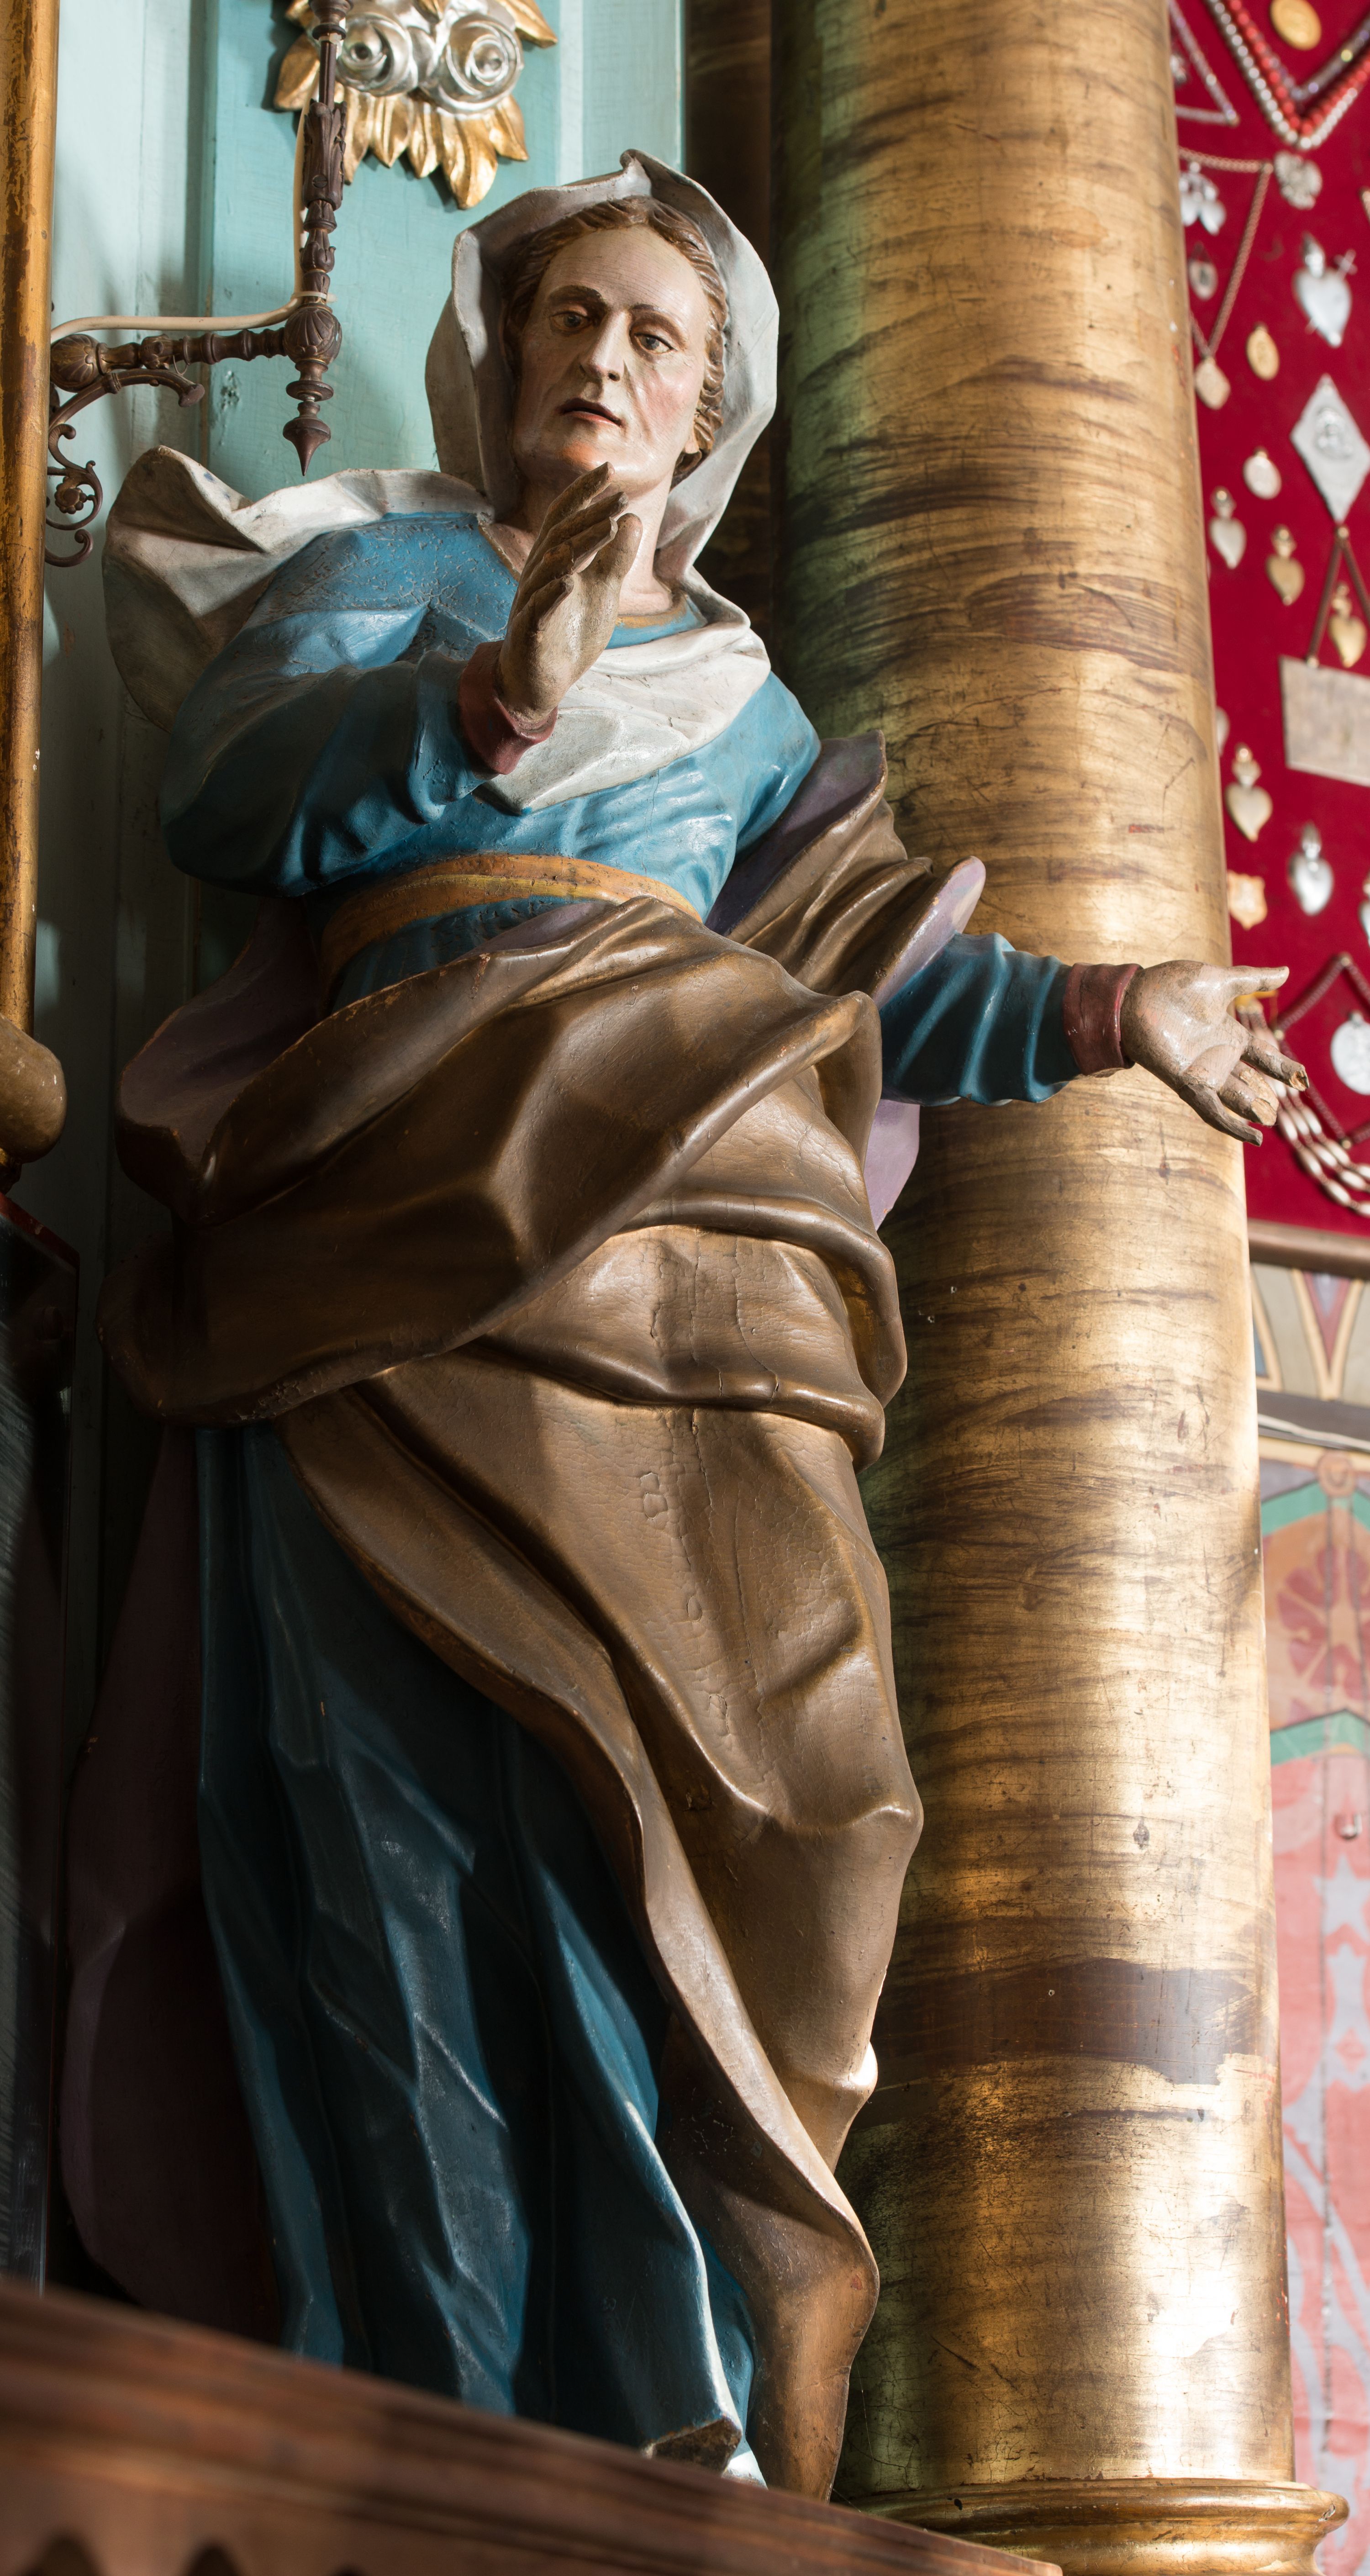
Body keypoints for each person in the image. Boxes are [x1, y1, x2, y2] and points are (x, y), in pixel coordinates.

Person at [95, 154, 1305, 2499]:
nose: (606, 359)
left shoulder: (745, 702)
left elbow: (853, 970)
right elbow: (226, 786)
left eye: (655, 336)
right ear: (503, 359)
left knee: (710, 1821)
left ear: (707, 410)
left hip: (692, 1285)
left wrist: (1109, 1009)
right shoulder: (384, 573)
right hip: (385, 1258)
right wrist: (484, 698)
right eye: (571, 318)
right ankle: (429, 2424)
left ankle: (664, 2402)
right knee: (400, 1839)